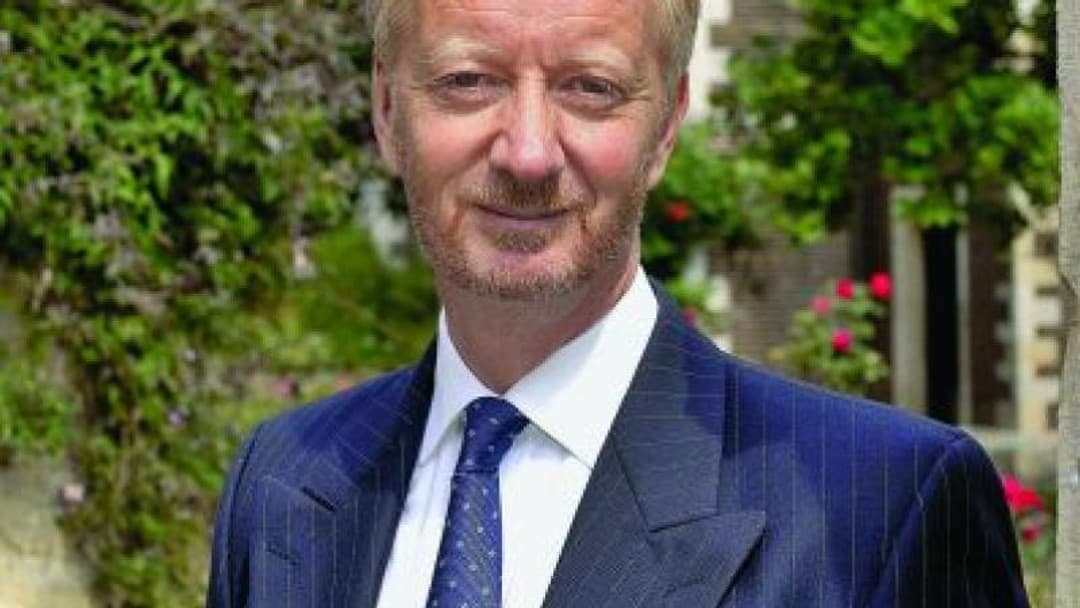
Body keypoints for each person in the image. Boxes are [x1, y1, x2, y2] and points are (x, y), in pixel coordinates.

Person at [206, 0, 1029, 606]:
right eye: (468, 81)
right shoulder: (282, 480)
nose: (528, 153)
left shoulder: (885, 509)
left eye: (590, 88)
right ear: (388, 110)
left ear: (666, 126)